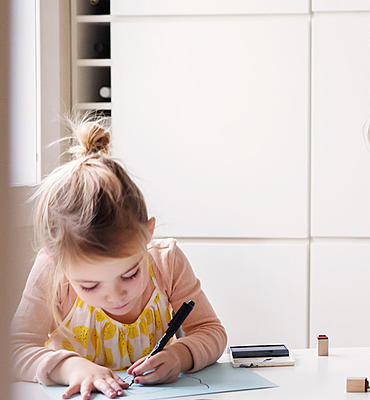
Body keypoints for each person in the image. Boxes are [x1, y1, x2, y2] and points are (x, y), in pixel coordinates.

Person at [10, 116, 227, 400]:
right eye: (89, 286)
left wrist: (180, 355)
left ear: (148, 233)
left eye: (130, 274)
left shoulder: (167, 262)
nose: (115, 296)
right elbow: (15, 350)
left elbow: (211, 331)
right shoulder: (51, 270)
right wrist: (71, 368)